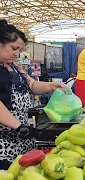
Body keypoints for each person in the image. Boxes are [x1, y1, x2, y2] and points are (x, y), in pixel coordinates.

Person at [0, 20, 65, 169]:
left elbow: (32, 84)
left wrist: (51, 86)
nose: (16, 53)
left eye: (19, 50)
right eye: (14, 48)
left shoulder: (13, 67)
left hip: (23, 139)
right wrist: (18, 127)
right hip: (4, 144)